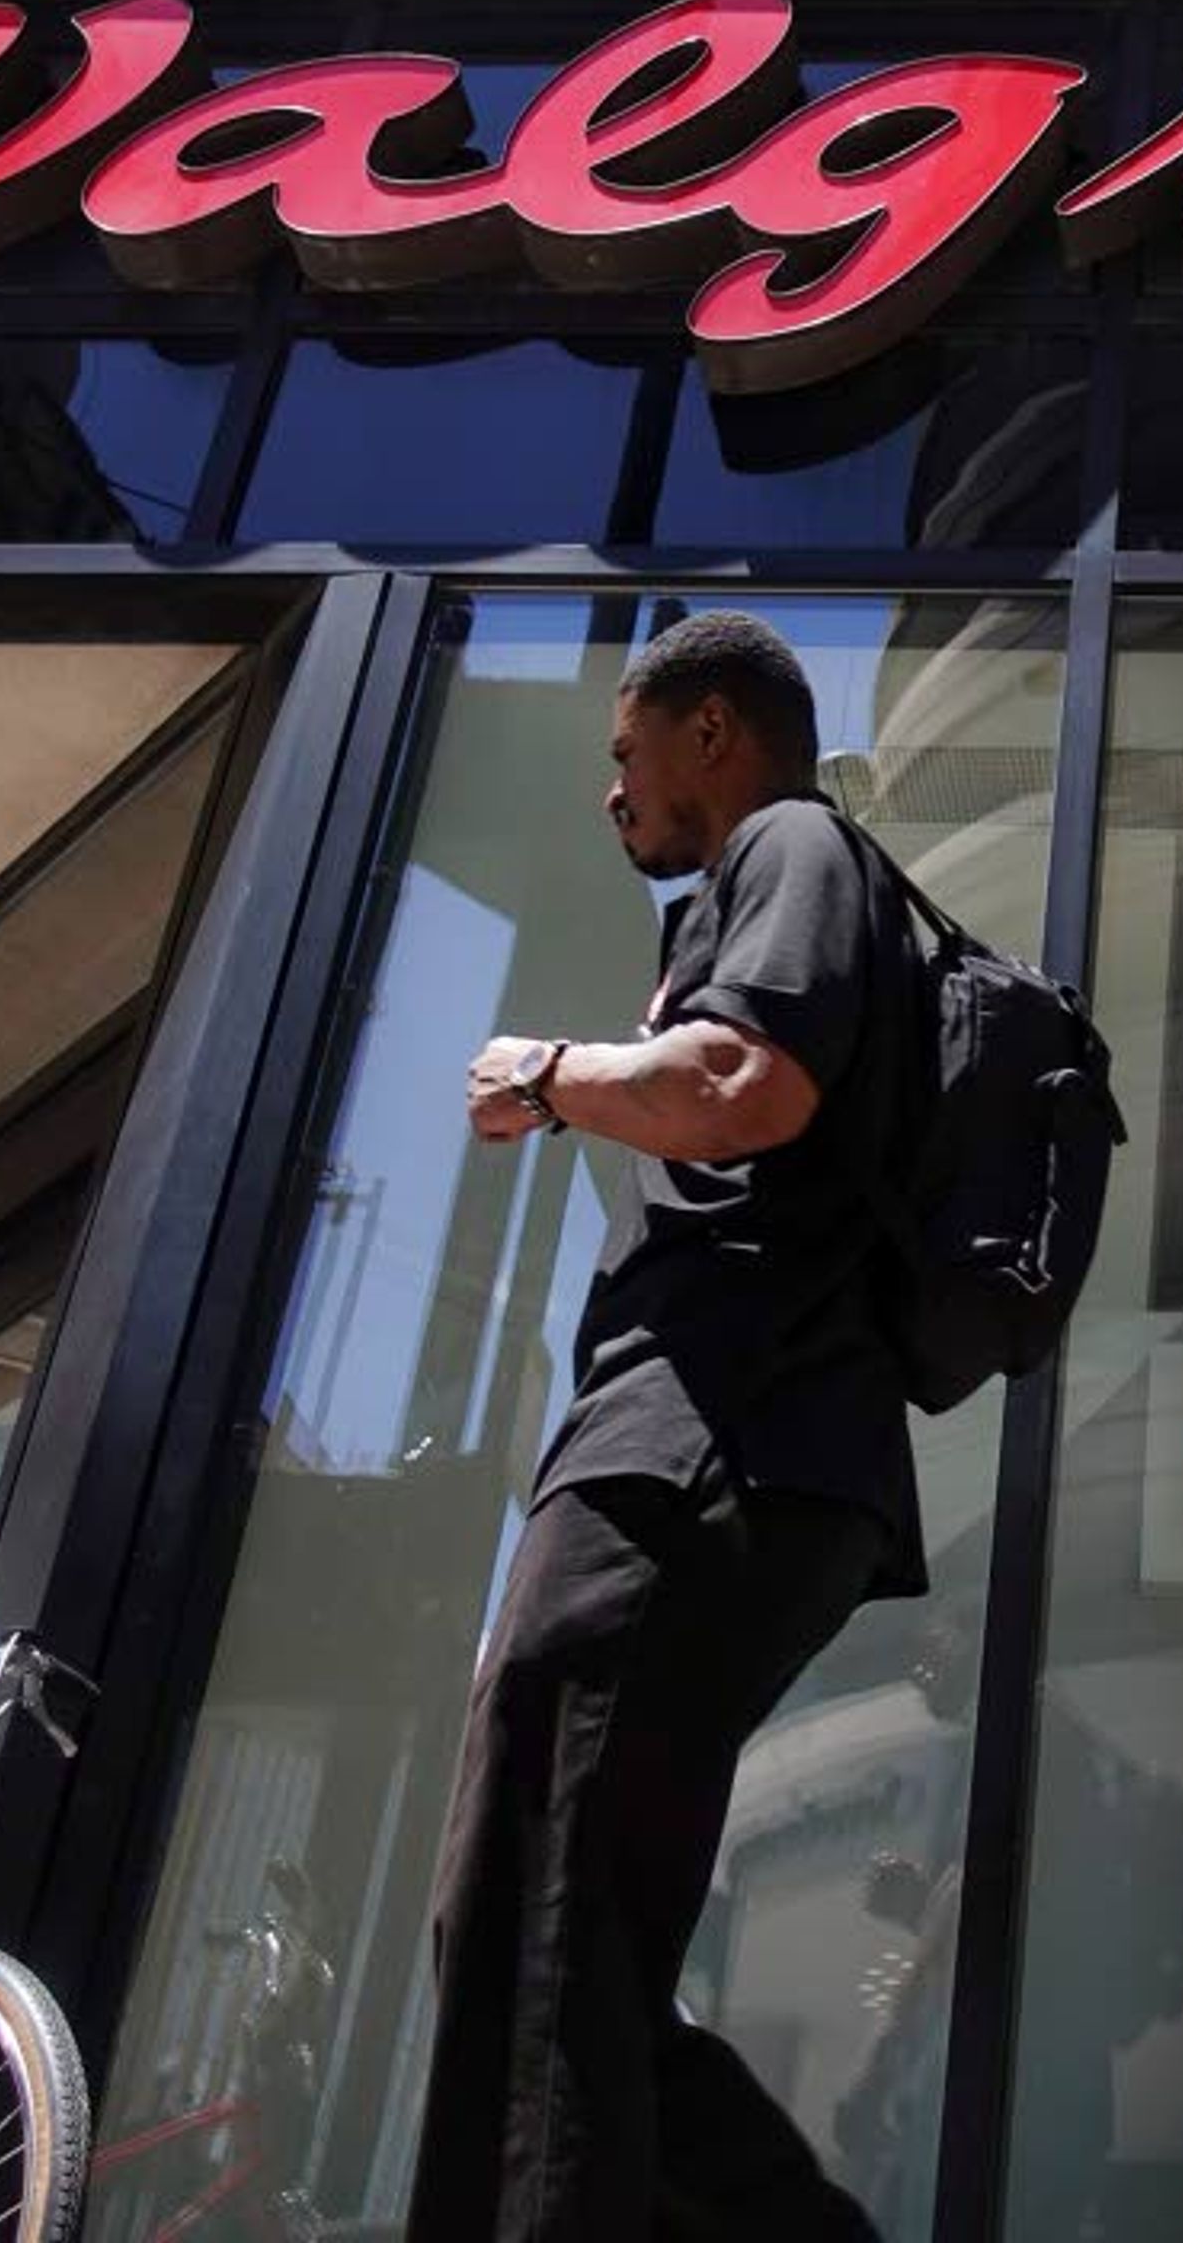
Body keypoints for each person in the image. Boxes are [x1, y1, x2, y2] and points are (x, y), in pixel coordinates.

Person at [414, 610, 920, 2243]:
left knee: (535, 1910)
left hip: (698, 1440)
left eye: (625, 753)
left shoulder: (790, 844)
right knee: (565, 1944)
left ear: (714, 733)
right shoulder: (770, 877)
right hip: (739, 1448)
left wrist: (554, 1070)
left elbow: (740, 1086)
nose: (608, 792)